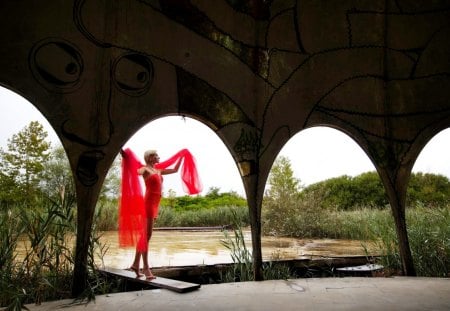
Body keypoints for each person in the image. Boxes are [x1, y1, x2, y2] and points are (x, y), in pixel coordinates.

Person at [118, 148, 202, 280]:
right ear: (150, 157)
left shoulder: (158, 170)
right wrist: (127, 158)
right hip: (147, 204)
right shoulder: (145, 170)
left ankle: (135, 264)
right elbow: (135, 171)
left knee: (145, 236)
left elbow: (174, 170)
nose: (159, 157)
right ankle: (145, 268)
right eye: (156, 155)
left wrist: (182, 156)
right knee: (147, 236)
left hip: (154, 204)